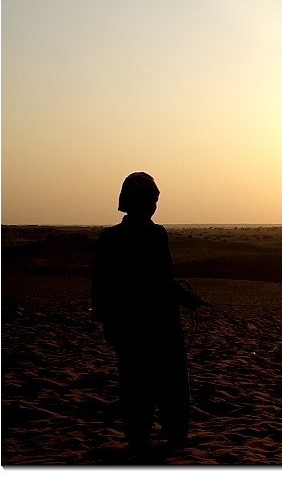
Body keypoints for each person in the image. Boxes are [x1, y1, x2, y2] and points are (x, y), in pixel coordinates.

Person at [91, 172, 202, 455]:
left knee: (137, 384)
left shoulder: (110, 238)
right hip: (157, 325)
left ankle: (141, 438)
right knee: (168, 384)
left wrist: (108, 324)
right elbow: (160, 282)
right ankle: (171, 436)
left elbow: (100, 288)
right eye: (150, 199)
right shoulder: (155, 235)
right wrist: (186, 299)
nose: (152, 204)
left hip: (129, 327)